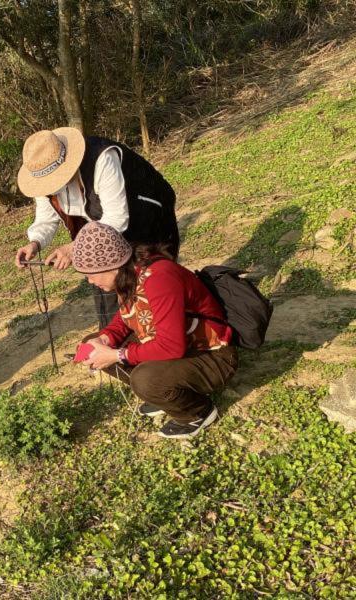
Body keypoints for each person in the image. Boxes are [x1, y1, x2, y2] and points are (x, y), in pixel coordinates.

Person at [71, 222, 237, 439]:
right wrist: (105, 338)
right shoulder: (129, 274)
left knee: (145, 379)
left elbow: (172, 346)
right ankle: (166, 392)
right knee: (94, 342)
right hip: (183, 345)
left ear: (110, 266)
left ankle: (197, 412)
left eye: (91, 274)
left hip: (212, 355)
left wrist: (116, 354)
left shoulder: (159, 278)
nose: (90, 281)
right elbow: (124, 318)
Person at [14, 127, 180, 327]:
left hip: (146, 221)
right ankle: (114, 341)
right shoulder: (42, 179)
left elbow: (117, 217)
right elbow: (46, 217)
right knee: (104, 283)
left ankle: (159, 339)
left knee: (150, 290)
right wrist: (35, 242)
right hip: (100, 232)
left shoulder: (102, 159)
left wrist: (75, 248)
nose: (50, 188)